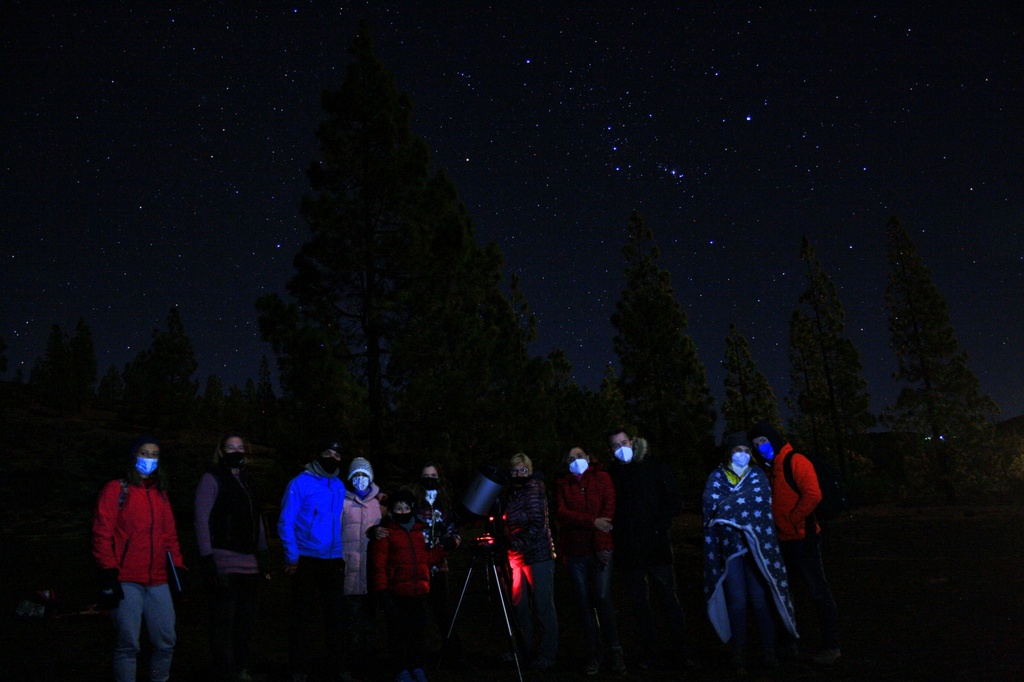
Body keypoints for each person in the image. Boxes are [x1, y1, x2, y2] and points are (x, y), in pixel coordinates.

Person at [92, 436, 186, 682]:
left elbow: (169, 535)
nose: (150, 459)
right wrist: (108, 571)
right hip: (126, 579)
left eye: (155, 454)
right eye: (145, 453)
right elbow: (102, 532)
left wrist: (177, 566)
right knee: (128, 644)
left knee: (166, 641)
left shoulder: (160, 494)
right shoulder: (117, 489)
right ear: (134, 456)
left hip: (158, 579)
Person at [748, 420, 842, 666]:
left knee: (817, 592)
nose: (761, 447)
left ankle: (831, 645)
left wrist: (793, 518)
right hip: (782, 542)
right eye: (756, 444)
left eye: (764, 441)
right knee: (783, 594)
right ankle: (789, 645)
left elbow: (813, 494)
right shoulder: (770, 469)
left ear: (773, 439)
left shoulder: (795, 461)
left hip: (804, 540)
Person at [703, 432, 797, 675]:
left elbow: (759, 502)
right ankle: (739, 655)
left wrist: (730, 506)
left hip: (757, 549)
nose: (742, 454)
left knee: (759, 600)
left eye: (746, 450)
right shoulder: (717, 477)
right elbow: (711, 505)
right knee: (737, 601)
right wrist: (735, 507)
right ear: (729, 453)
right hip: (731, 550)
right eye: (737, 450)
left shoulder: (757, 476)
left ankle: (769, 653)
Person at [606, 427, 695, 670]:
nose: (621, 448)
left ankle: (681, 652)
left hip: (656, 547)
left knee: (668, 599)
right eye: (615, 445)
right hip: (629, 550)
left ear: (632, 442)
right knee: (639, 605)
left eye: (624, 442)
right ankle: (650, 653)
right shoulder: (612, 474)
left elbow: (674, 500)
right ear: (610, 449)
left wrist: (659, 527)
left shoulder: (655, 467)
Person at [194, 432, 270, 682]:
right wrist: (207, 557)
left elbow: (256, 518)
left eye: (239, 447)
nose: (235, 451)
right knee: (223, 623)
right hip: (224, 561)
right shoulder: (212, 478)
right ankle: (224, 671)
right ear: (221, 451)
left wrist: (263, 552)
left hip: (249, 564)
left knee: (245, 623)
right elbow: (201, 518)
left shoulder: (248, 482)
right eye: (230, 447)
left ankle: (241, 668)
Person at [277, 439, 350, 682]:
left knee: (335, 617)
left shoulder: (339, 485)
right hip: (307, 559)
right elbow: (286, 521)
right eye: (327, 453)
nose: (332, 458)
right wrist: (292, 556)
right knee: (301, 617)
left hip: (333, 560)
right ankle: (298, 667)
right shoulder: (300, 483)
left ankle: (337, 666)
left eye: (337, 455)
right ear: (318, 455)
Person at [555, 446, 625, 676]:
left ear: (588, 457)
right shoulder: (563, 484)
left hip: (599, 549)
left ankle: (615, 651)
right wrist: (591, 521)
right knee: (584, 604)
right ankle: (594, 654)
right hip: (575, 552)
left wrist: (602, 543)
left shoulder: (602, 479)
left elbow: (608, 509)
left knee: (603, 599)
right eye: (571, 458)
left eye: (580, 456)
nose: (576, 460)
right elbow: (563, 514)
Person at [369, 489, 448, 682]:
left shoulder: (417, 532)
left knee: (418, 633)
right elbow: (378, 565)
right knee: (398, 633)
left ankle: (417, 666)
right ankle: (401, 669)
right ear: (391, 511)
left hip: (419, 591)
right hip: (397, 593)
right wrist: (383, 593)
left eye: (406, 507)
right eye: (398, 508)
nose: (403, 511)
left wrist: (442, 549)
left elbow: (425, 559)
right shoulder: (386, 533)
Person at [504, 452, 558, 670]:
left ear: (530, 470)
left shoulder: (533, 488)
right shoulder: (513, 494)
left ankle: (547, 653)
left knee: (543, 606)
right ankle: (522, 649)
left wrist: (515, 543)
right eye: (515, 470)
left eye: (523, 470)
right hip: (517, 557)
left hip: (537, 556)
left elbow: (537, 524)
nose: (519, 474)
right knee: (520, 606)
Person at [341, 456, 383, 674]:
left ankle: (370, 663)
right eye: (356, 476)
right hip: (350, 572)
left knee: (371, 621)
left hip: (371, 573)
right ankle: (351, 664)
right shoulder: (343, 502)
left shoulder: (378, 505)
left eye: (364, 475)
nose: (360, 480)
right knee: (351, 622)